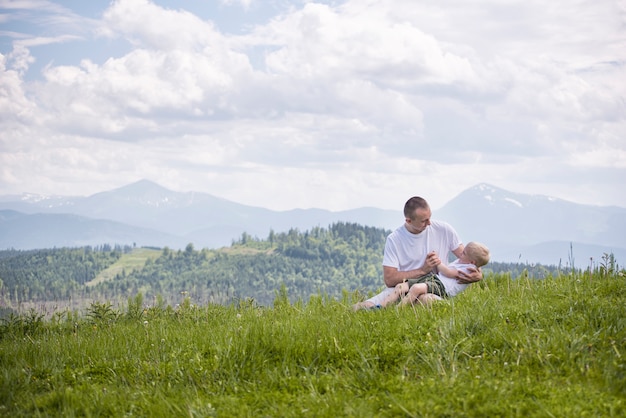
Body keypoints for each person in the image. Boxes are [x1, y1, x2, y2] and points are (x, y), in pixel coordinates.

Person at [352, 196, 483, 311]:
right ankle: (377, 309)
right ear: (408, 220)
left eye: (430, 217)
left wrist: (478, 275)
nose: (429, 223)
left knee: (428, 300)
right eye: (424, 221)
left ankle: (400, 311)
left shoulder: (444, 230)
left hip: (434, 287)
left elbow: (468, 258)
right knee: (361, 307)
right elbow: (389, 279)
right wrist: (423, 270)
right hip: (403, 287)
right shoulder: (395, 239)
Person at [386, 241, 490, 307]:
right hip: (435, 279)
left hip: (442, 287)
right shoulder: (464, 262)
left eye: (464, 253)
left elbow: (448, 273)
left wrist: (438, 262)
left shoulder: (468, 269)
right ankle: (382, 307)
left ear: (472, 263)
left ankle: (398, 311)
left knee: (416, 288)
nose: (461, 252)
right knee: (401, 286)